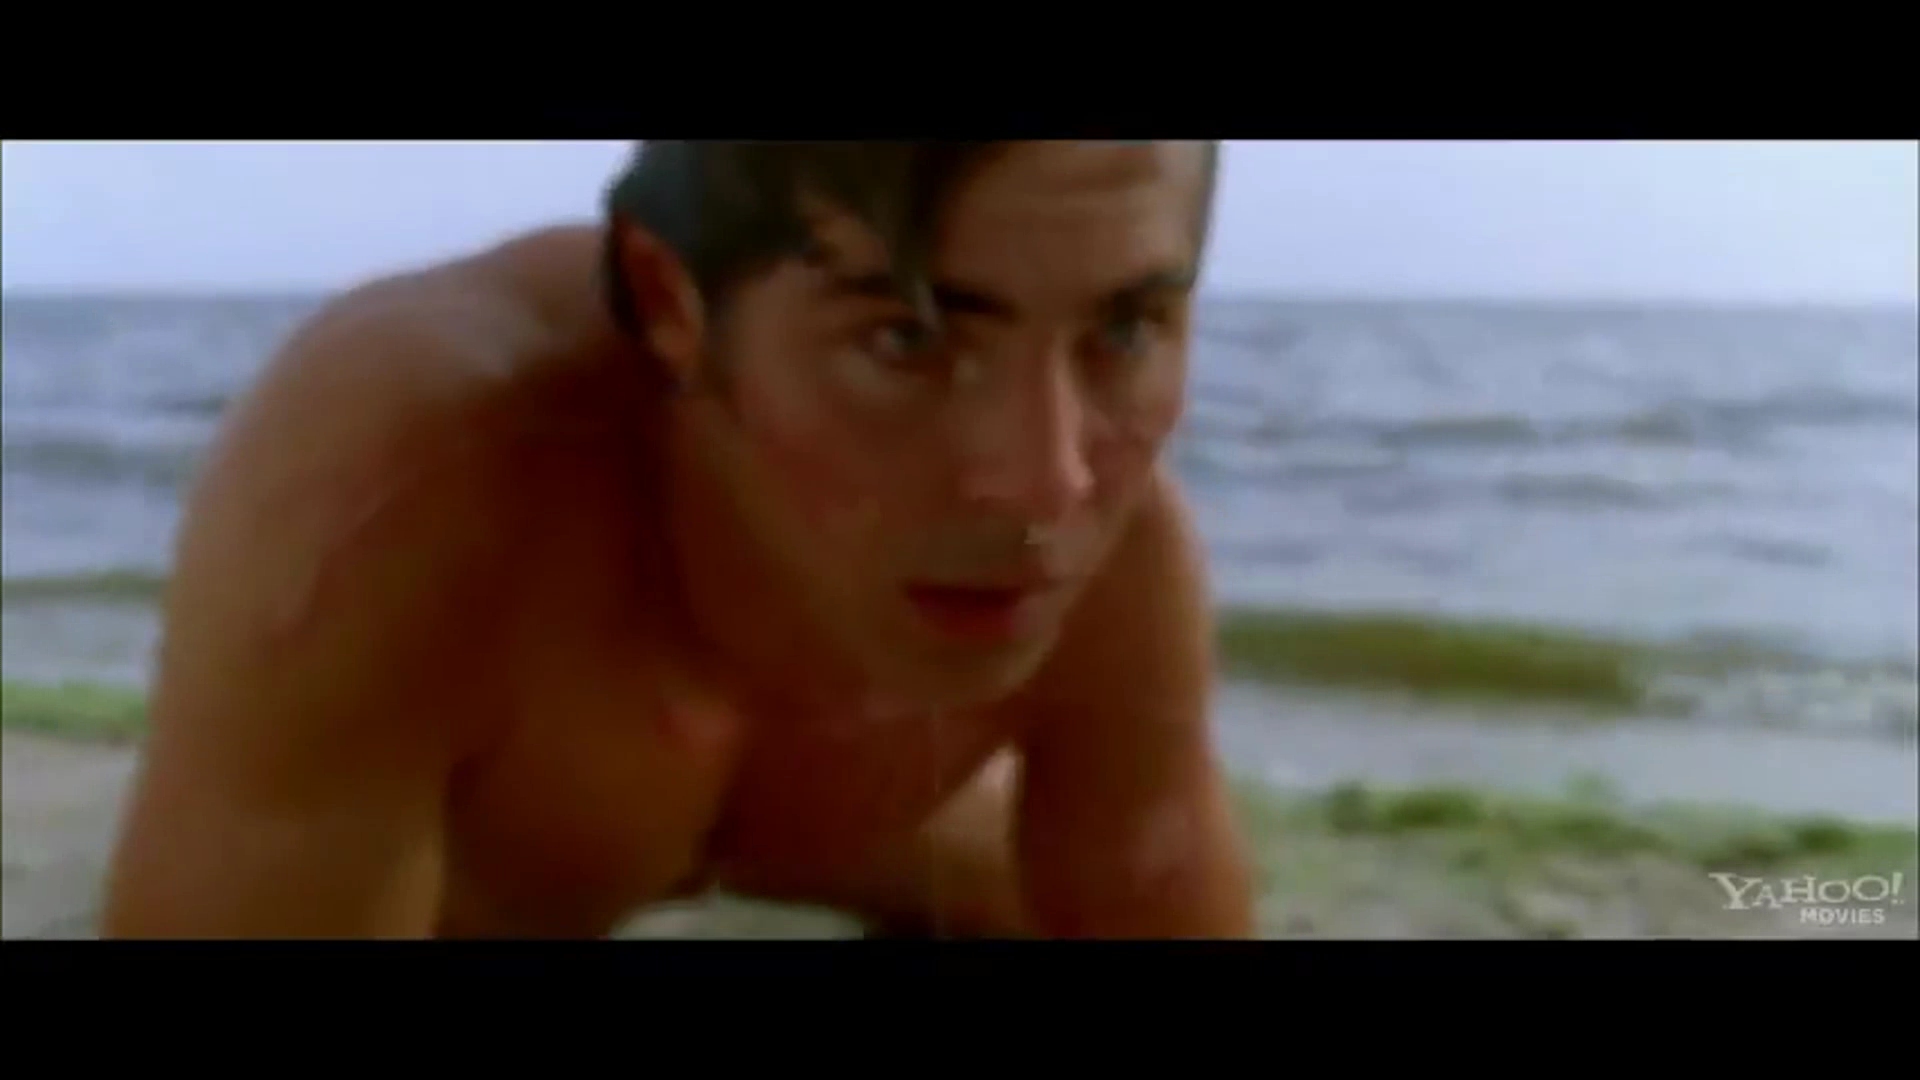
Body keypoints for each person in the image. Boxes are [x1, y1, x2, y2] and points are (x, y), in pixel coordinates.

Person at [99, 140, 1256, 939]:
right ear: (669, 304)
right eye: (907, 338)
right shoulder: (408, 494)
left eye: (1124, 329)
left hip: (845, 836)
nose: (1048, 487)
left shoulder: (1118, 557)